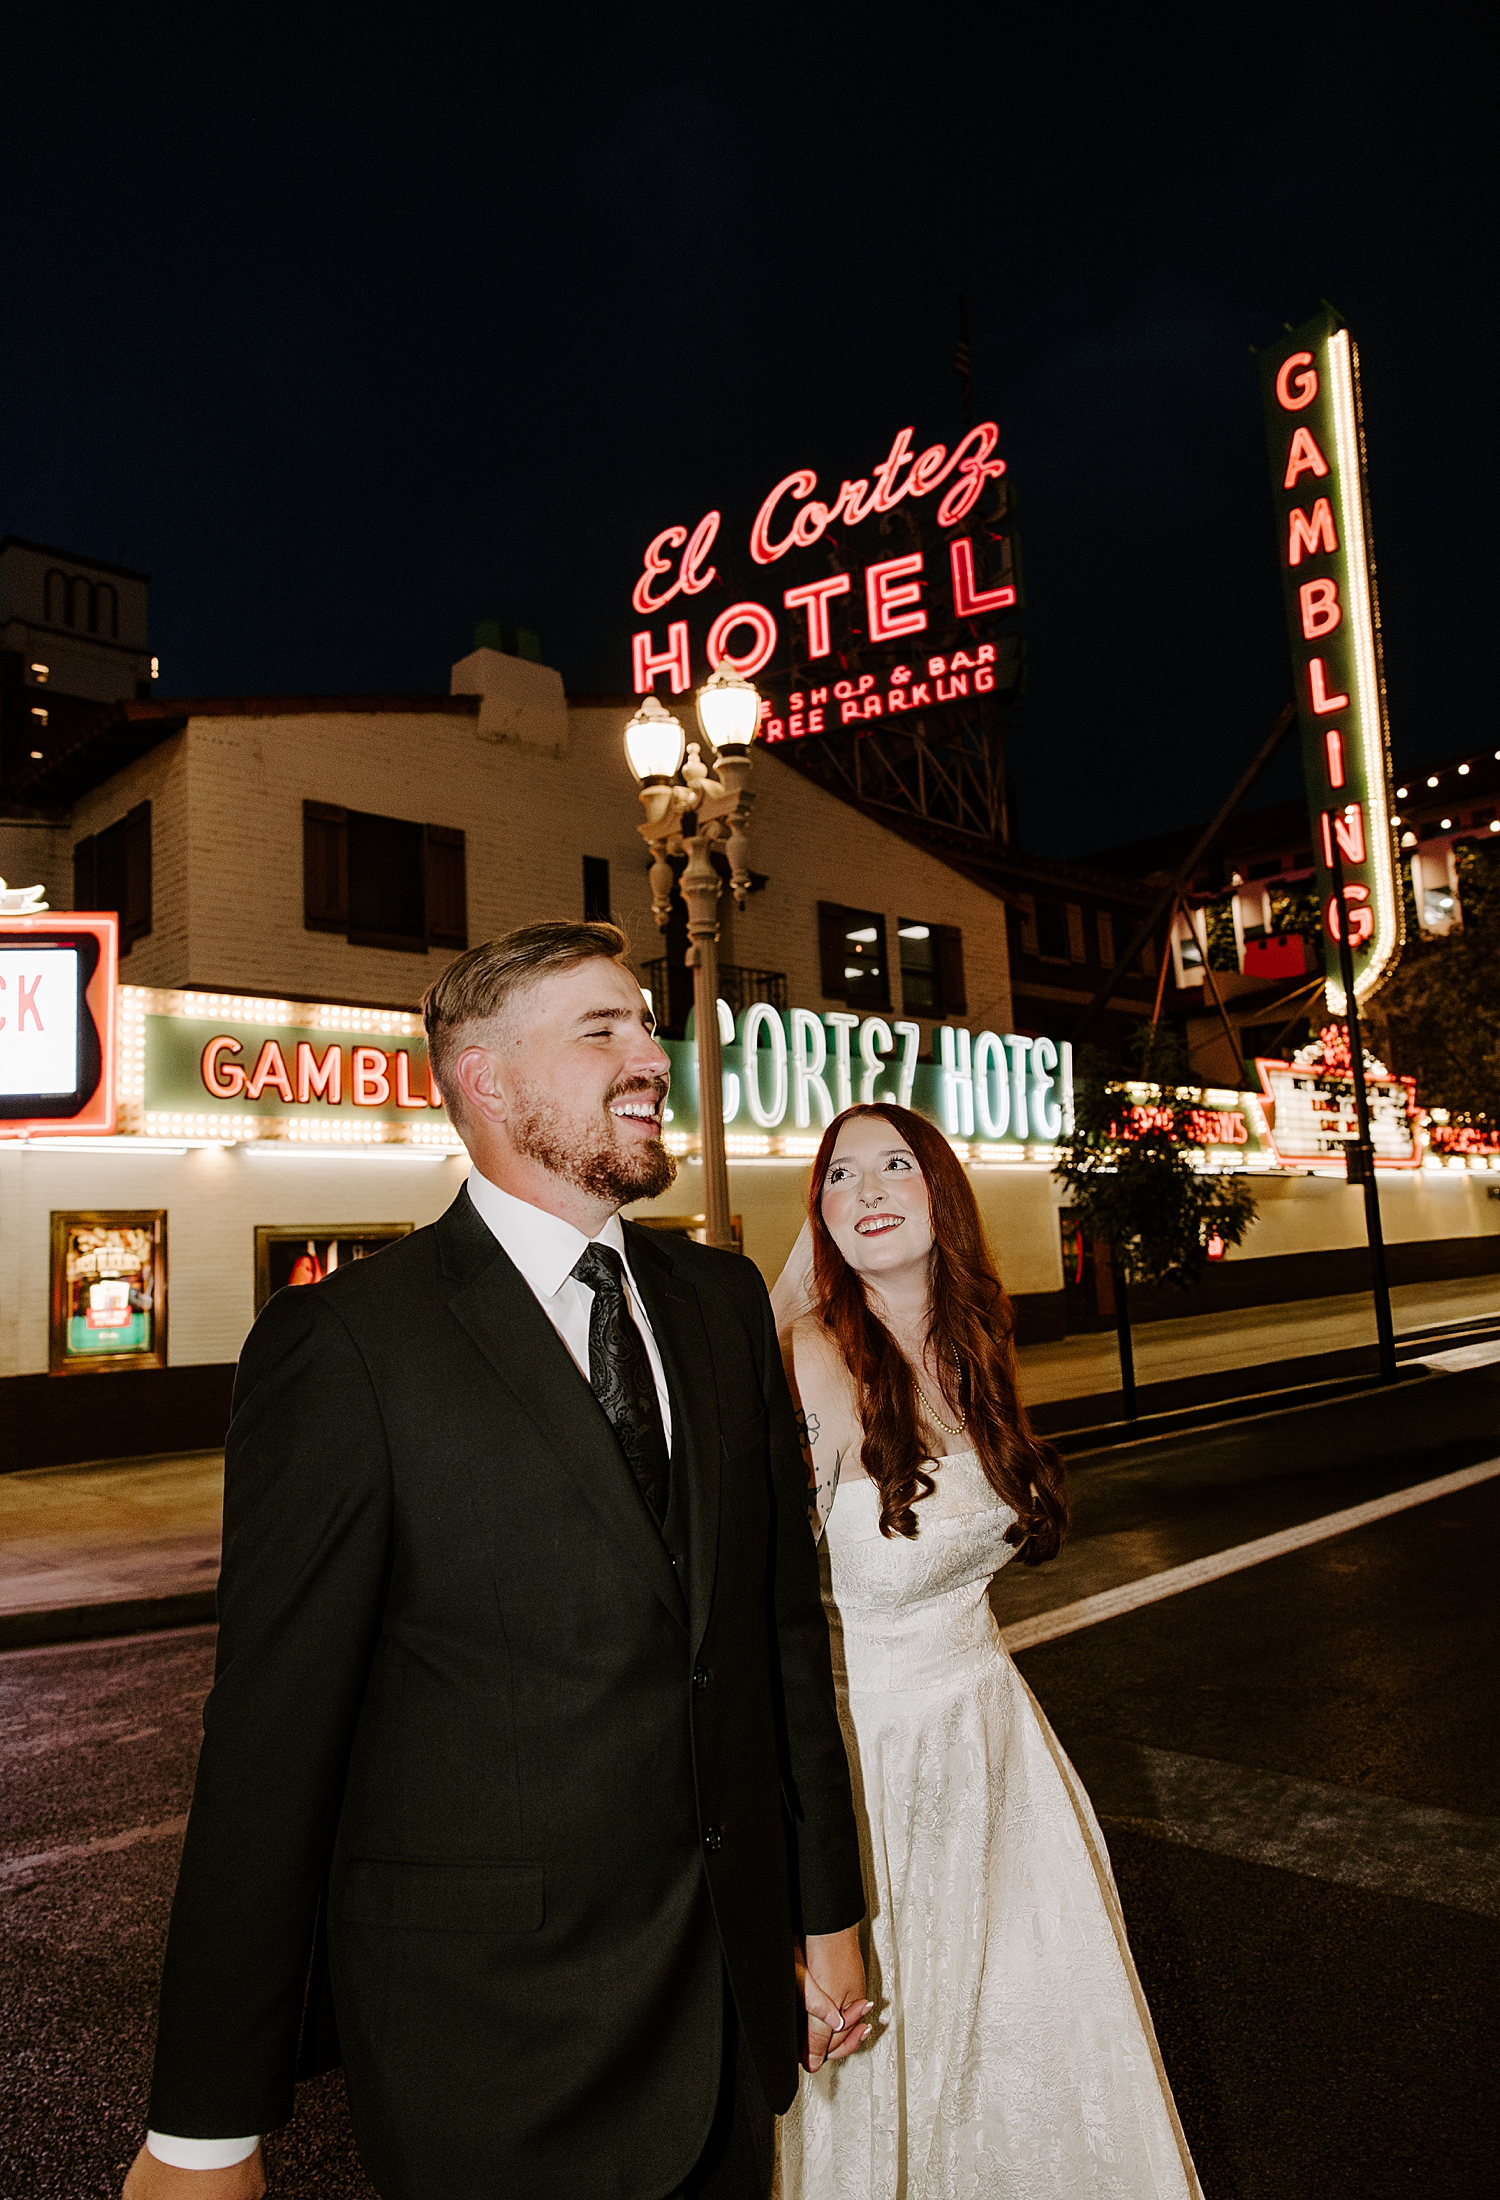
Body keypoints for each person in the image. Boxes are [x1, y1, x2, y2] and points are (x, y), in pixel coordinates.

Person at [124, 922, 869, 2200]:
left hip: (727, 2014)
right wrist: (206, 2128)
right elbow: (270, 1744)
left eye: (647, 1022)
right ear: (484, 1078)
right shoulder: (346, 1349)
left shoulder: (721, 1301)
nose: (652, 1054)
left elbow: (773, 1638)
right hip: (490, 2047)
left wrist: (825, 1912)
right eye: (602, 1030)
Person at [773, 1104, 1205, 2200]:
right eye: (838, 1177)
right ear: (818, 1215)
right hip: (877, 1774)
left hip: (1002, 1759)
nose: (865, 1192)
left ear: (943, 1196)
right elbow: (753, 1622)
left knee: (1030, 2044)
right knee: (898, 2061)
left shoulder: (974, 1354)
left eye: (895, 1167)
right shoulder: (813, 1364)